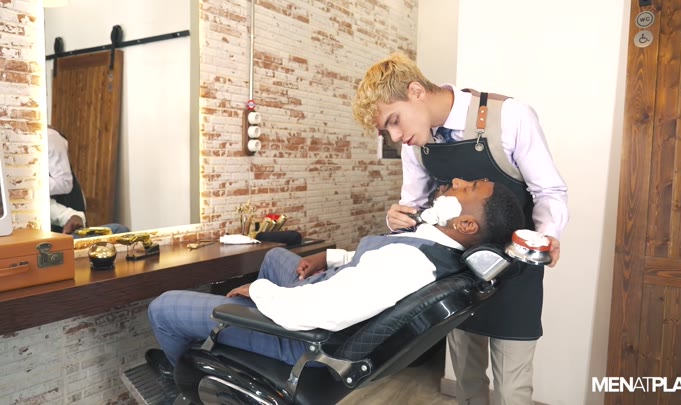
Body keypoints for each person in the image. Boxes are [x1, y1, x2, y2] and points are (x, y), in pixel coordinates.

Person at [351, 53, 569, 405]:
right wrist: (397, 219)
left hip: (517, 273)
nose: (396, 136)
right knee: (466, 381)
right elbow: (417, 210)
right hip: (458, 275)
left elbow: (549, 191)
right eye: (386, 130)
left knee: (512, 390)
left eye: (394, 121)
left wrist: (547, 234)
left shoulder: (510, 117)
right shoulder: (414, 145)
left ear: (416, 91)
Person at [146, 178, 525, 379]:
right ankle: (236, 348)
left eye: (468, 188)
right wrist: (331, 258)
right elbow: (374, 271)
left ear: (466, 224)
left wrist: (261, 292)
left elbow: (324, 310)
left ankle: (184, 377)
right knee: (276, 255)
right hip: (320, 303)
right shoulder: (435, 249)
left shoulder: (409, 263)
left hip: (304, 340)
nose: (456, 180)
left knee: (163, 308)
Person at [50, 198, 129, 238]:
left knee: (120, 231)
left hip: (61, 242)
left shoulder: (43, 201)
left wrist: (75, 217)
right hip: (47, 248)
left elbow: (65, 213)